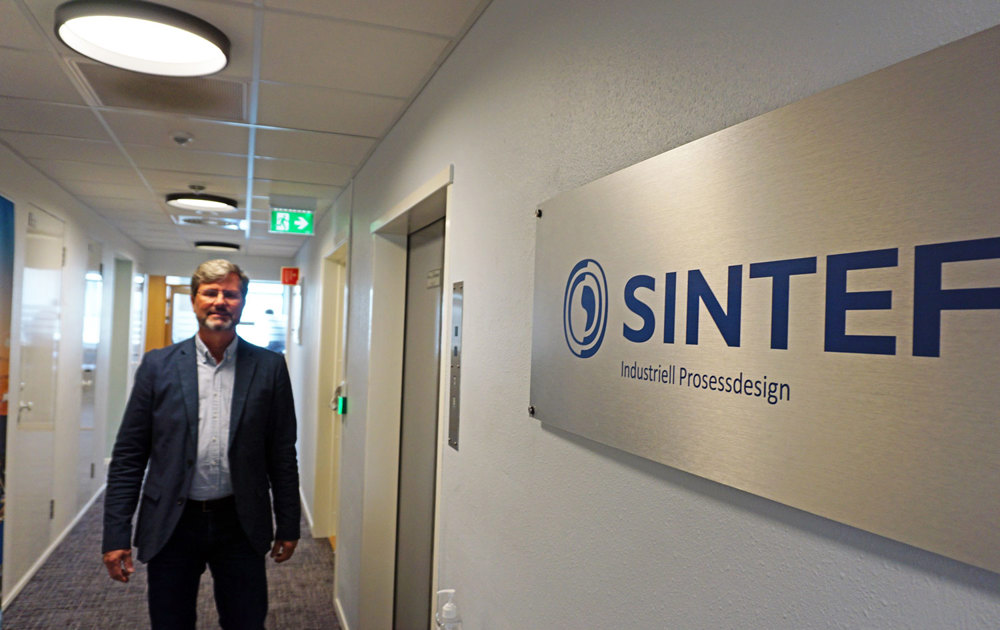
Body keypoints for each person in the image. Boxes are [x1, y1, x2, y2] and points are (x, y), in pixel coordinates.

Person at [102, 259, 300, 629]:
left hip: (239, 521)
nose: (220, 301)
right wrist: (116, 534)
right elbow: (130, 456)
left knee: (246, 621)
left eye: (231, 294)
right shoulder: (158, 365)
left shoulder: (269, 367)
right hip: (173, 523)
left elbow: (282, 453)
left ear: (242, 302)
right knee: (170, 621)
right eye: (210, 293)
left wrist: (288, 524)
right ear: (194, 301)